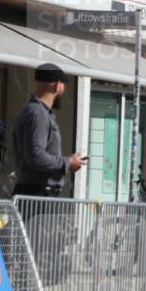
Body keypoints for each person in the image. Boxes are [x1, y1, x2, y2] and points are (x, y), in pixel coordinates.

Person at [11, 63, 86, 201]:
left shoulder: (32, 111)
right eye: (63, 86)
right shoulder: (38, 114)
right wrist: (67, 162)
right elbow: (36, 157)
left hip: (35, 193)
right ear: (57, 86)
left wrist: (67, 164)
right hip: (37, 194)